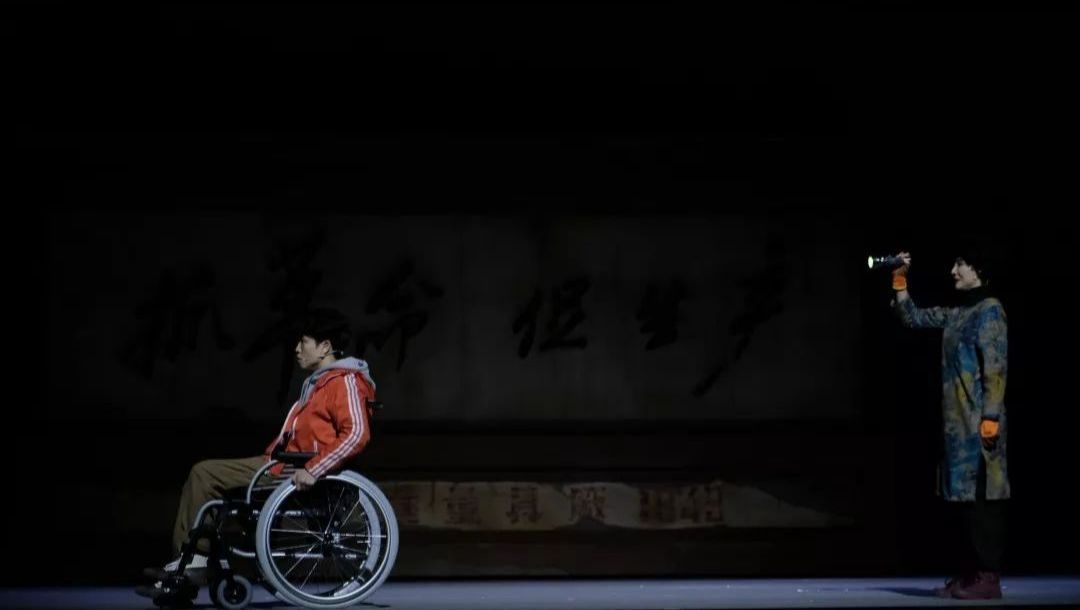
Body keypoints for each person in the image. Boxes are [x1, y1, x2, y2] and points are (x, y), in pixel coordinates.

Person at [137, 308, 376, 597]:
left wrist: (314, 468)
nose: (297, 349)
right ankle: (188, 564)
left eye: (303, 342)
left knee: (204, 473)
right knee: (204, 474)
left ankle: (195, 560)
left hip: (293, 471)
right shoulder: (319, 383)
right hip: (280, 464)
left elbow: (357, 434)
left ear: (325, 346)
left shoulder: (345, 381)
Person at [891, 250, 1008, 600]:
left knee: (981, 500)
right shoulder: (959, 312)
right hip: (958, 427)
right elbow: (912, 317)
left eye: (961, 264)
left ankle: (987, 576)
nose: (953, 270)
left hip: (979, 423)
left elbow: (996, 367)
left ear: (979, 269)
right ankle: (969, 573)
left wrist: (991, 417)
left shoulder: (989, 310)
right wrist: (900, 277)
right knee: (961, 500)